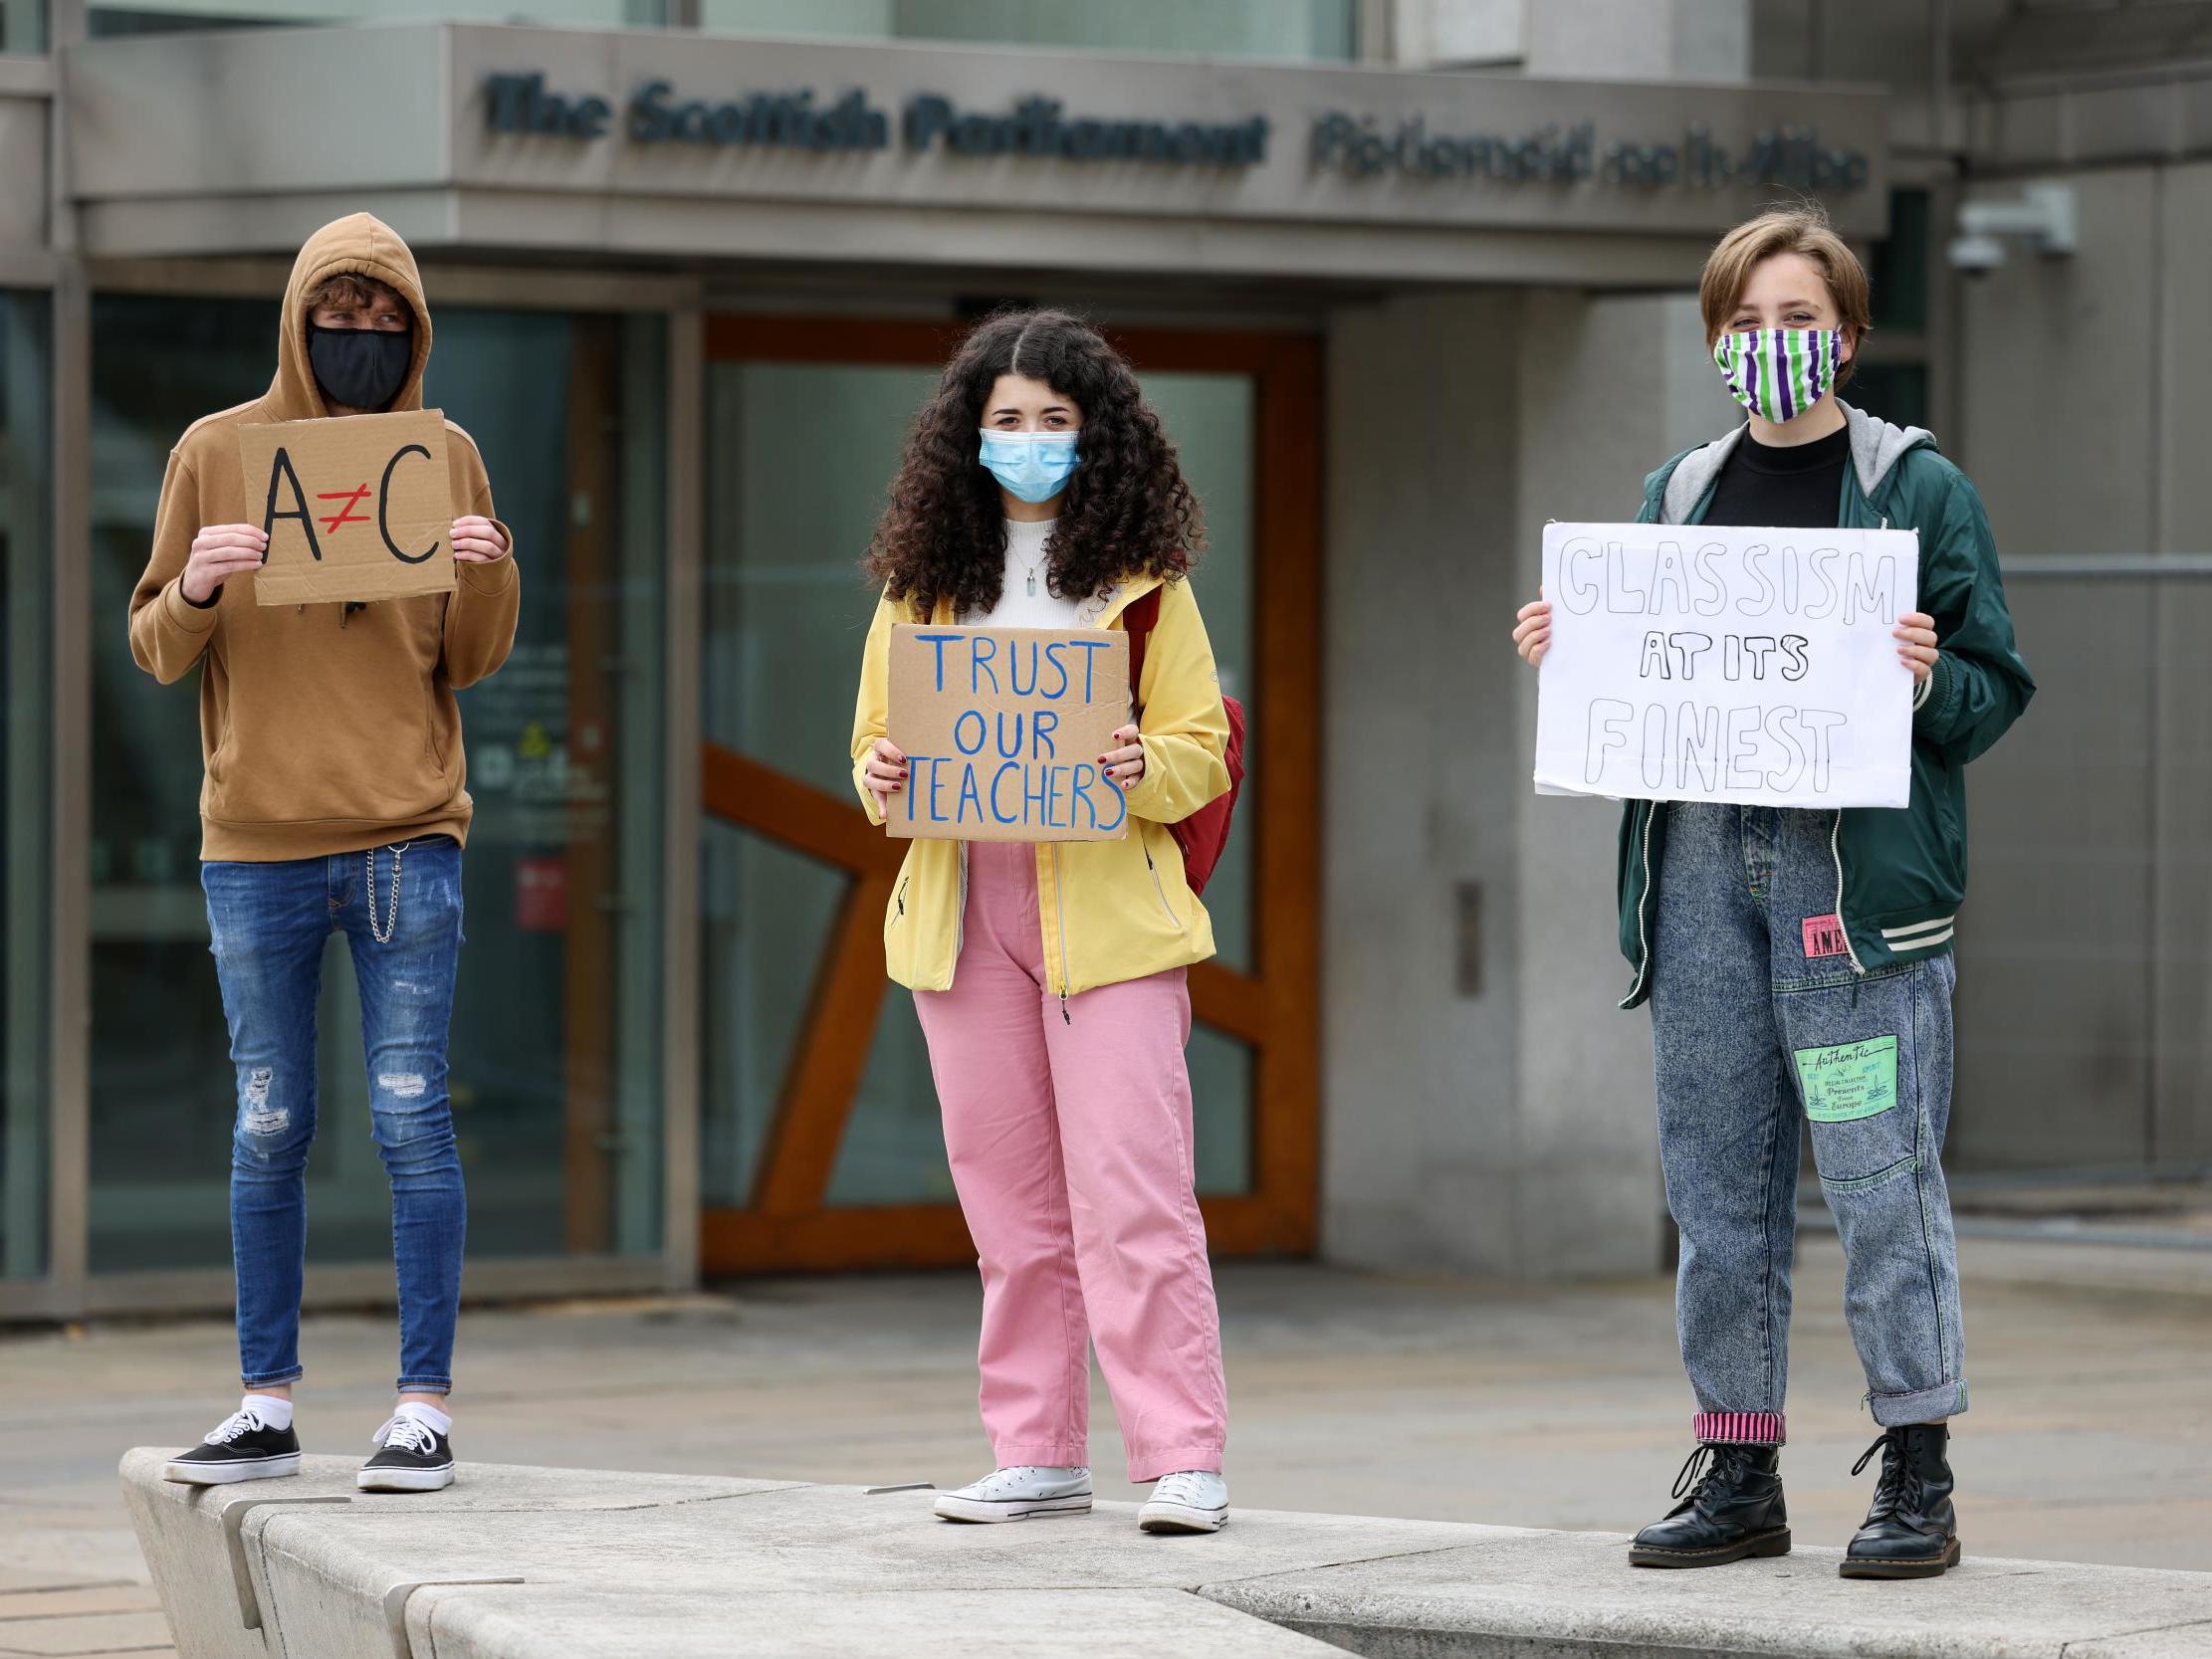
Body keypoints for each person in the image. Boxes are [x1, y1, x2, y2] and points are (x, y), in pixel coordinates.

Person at [1512, 207, 2032, 1579]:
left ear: (1848, 338)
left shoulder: (1915, 488)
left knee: (1875, 1173)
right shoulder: (1675, 493)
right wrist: (1571, 653)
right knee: (1714, 1177)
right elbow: (1634, 681)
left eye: (1798, 319)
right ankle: (1737, 1459)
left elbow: (1994, 693)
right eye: (1744, 322)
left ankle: (1915, 1464)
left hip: (1844, 892)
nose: (1770, 345)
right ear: (1712, 341)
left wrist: (1929, 678)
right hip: (1698, 875)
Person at [131, 213, 519, 1495]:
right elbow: (152, 645)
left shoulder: (445, 454)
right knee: (268, 1121)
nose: (358, 337)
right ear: (296, 321)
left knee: (413, 1121)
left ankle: (421, 1407)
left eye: (382, 318)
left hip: (409, 834)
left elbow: (469, 657)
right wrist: (193, 583)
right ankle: (263, 1401)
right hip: (256, 844)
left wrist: (487, 570)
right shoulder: (216, 453)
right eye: (335, 315)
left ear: (414, 330)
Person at [849, 310, 1234, 1534]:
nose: (1026, 440)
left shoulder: (1143, 590)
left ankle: (1180, 1454)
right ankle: (1035, 1448)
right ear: (967, 438)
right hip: (966, 911)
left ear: (1095, 436)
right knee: (1008, 1209)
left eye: (1052, 421)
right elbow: (871, 753)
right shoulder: (920, 588)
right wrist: (885, 779)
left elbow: (1200, 748)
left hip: (1109, 911)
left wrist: (1134, 764)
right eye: (1005, 420)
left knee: (1134, 1192)